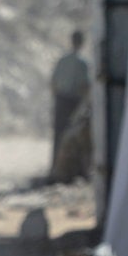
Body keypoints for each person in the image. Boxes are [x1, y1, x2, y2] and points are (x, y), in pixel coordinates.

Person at [50, 29, 91, 180]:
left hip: (61, 100)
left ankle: (56, 169)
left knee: (59, 135)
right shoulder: (83, 63)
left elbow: (53, 83)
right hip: (74, 101)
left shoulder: (63, 60)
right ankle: (72, 171)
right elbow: (84, 86)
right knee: (75, 135)